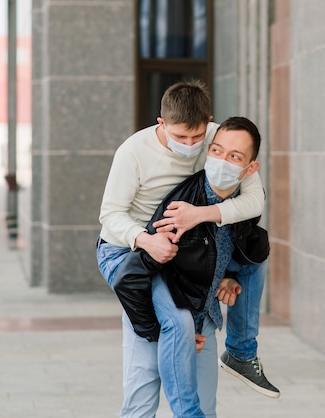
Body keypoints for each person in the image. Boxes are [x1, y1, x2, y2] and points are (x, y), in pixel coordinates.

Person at [96, 81, 278, 417]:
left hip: (193, 260)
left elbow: (254, 201)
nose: (192, 146)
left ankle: (240, 351)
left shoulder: (218, 139)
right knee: (147, 375)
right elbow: (109, 217)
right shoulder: (133, 151)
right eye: (181, 138)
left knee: (256, 248)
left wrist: (207, 231)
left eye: (197, 138)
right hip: (134, 253)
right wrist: (146, 239)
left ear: (207, 122)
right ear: (161, 124)